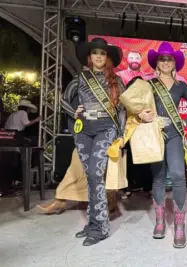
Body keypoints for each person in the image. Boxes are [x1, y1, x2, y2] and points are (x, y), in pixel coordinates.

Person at [60, 37, 126, 246]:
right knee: (90, 177)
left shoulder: (116, 80)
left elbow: (123, 109)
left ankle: (101, 228)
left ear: (107, 58)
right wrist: (74, 111)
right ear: (90, 57)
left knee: (96, 174)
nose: (98, 56)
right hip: (84, 130)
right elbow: (63, 99)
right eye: (95, 53)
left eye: (102, 53)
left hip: (106, 128)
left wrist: (122, 133)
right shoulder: (81, 77)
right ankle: (94, 222)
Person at [138, 42, 187, 248]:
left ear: (175, 63)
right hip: (154, 133)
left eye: (169, 59)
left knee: (177, 175)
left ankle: (179, 226)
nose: (165, 62)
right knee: (158, 177)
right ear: (157, 62)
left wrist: (186, 121)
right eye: (162, 59)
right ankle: (159, 222)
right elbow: (138, 104)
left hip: (174, 133)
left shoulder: (181, 86)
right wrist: (142, 114)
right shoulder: (148, 83)